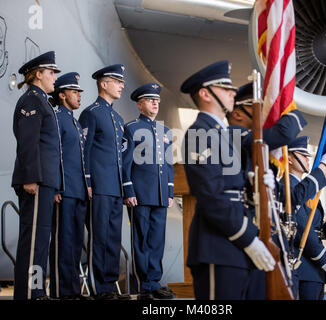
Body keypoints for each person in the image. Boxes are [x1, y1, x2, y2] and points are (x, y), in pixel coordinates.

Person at [180, 60, 276, 300]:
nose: (233, 92)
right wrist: (247, 238)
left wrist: (258, 183)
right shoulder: (199, 133)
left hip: (239, 243)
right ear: (205, 93)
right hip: (219, 247)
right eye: (225, 88)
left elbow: (235, 185)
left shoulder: (222, 134)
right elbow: (212, 196)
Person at [227, 82, 308, 299]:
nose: (263, 115)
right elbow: (284, 132)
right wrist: (287, 103)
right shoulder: (233, 134)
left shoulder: (249, 143)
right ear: (237, 113)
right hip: (242, 233)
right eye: (258, 109)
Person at [11, 51, 63, 300]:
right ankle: (30, 293)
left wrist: (54, 186)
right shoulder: (32, 100)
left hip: (46, 182)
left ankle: (37, 290)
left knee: (41, 239)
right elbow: (28, 143)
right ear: (38, 74)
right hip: (36, 181)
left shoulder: (43, 100)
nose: (54, 77)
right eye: (51, 72)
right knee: (33, 241)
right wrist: (30, 178)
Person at [78, 64, 129, 300]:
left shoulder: (117, 118)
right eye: (117, 81)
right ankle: (98, 287)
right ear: (103, 83)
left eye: (121, 82)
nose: (121, 85)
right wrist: (87, 181)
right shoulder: (91, 113)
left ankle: (108, 286)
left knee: (112, 238)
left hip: (115, 188)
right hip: (98, 186)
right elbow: (84, 151)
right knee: (99, 238)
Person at [122, 83, 175, 300]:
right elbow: (125, 163)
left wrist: (170, 191)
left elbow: (168, 164)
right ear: (140, 104)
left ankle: (154, 282)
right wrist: (128, 189)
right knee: (141, 239)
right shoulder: (131, 128)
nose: (155, 103)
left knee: (156, 240)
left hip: (161, 194)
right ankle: (142, 284)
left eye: (157, 100)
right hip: (140, 194)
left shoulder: (165, 131)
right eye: (150, 99)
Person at [280, 136, 326, 300]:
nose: (308, 160)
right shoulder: (287, 186)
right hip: (302, 267)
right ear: (289, 158)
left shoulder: (305, 187)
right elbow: (301, 227)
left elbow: (313, 226)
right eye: (303, 155)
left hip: (313, 269)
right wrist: (325, 259)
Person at [48, 72, 89, 300]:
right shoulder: (57, 118)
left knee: (74, 243)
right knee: (63, 242)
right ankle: (61, 290)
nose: (79, 96)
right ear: (62, 95)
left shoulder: (74, 121)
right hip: (65, 190)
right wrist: (56, 187)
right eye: (74, 92)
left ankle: (72, 289)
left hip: (79, 190)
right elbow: (55, 155)